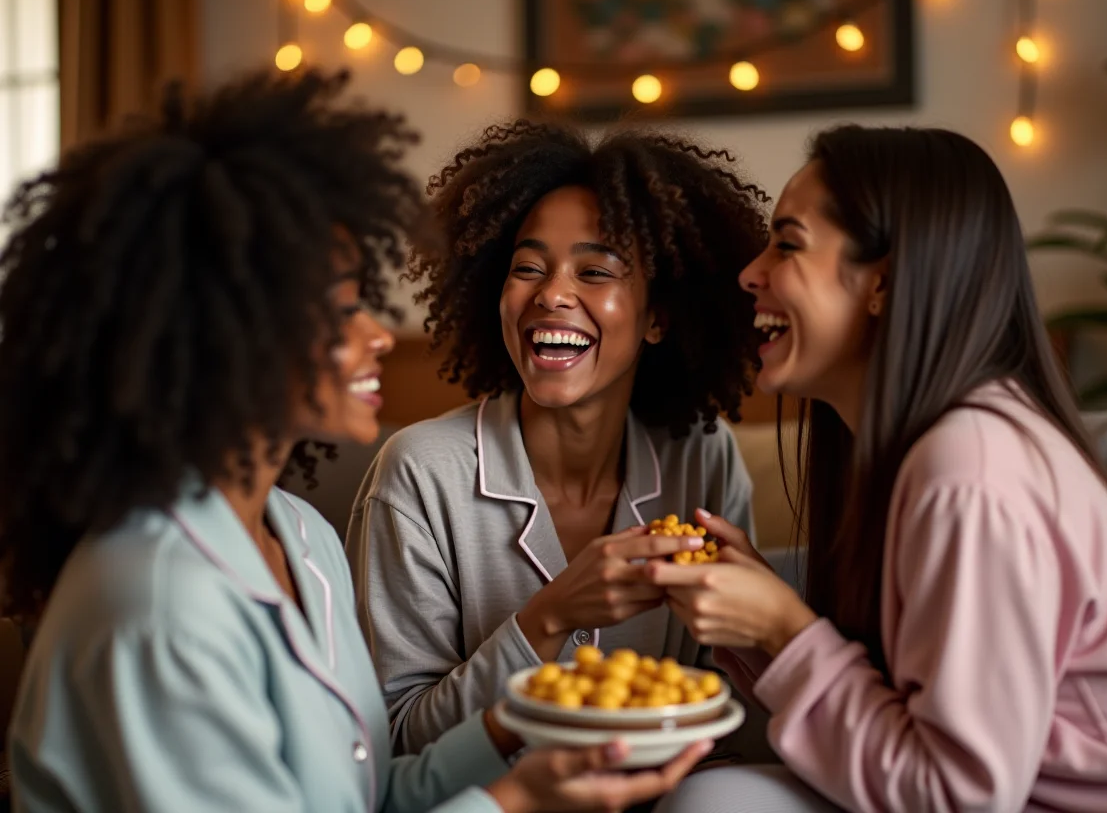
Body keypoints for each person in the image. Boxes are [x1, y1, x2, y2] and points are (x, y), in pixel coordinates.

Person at [0, 69, 709, 813]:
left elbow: (362, 796)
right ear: (220, 337)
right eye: (341, 310)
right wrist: (513, 805)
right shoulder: (157, 600)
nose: (378, 336)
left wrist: (509, 732)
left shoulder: (303, 539)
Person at [646, 125, 1107, 812]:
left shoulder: (966, 472)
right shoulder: (916, 445)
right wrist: (763, 613)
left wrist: (783, 630)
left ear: (882, 281)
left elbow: (957, 796)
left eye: (788, 243)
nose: (751, 273)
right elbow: (908, 715)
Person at [345, 120, 768, 753]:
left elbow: (720, 704)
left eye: (596, 272)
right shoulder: (419, 473)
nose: (552, 294)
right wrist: (550, 617)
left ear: (657, 318)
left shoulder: (703, 456)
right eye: (527, 268)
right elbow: (397, 745)